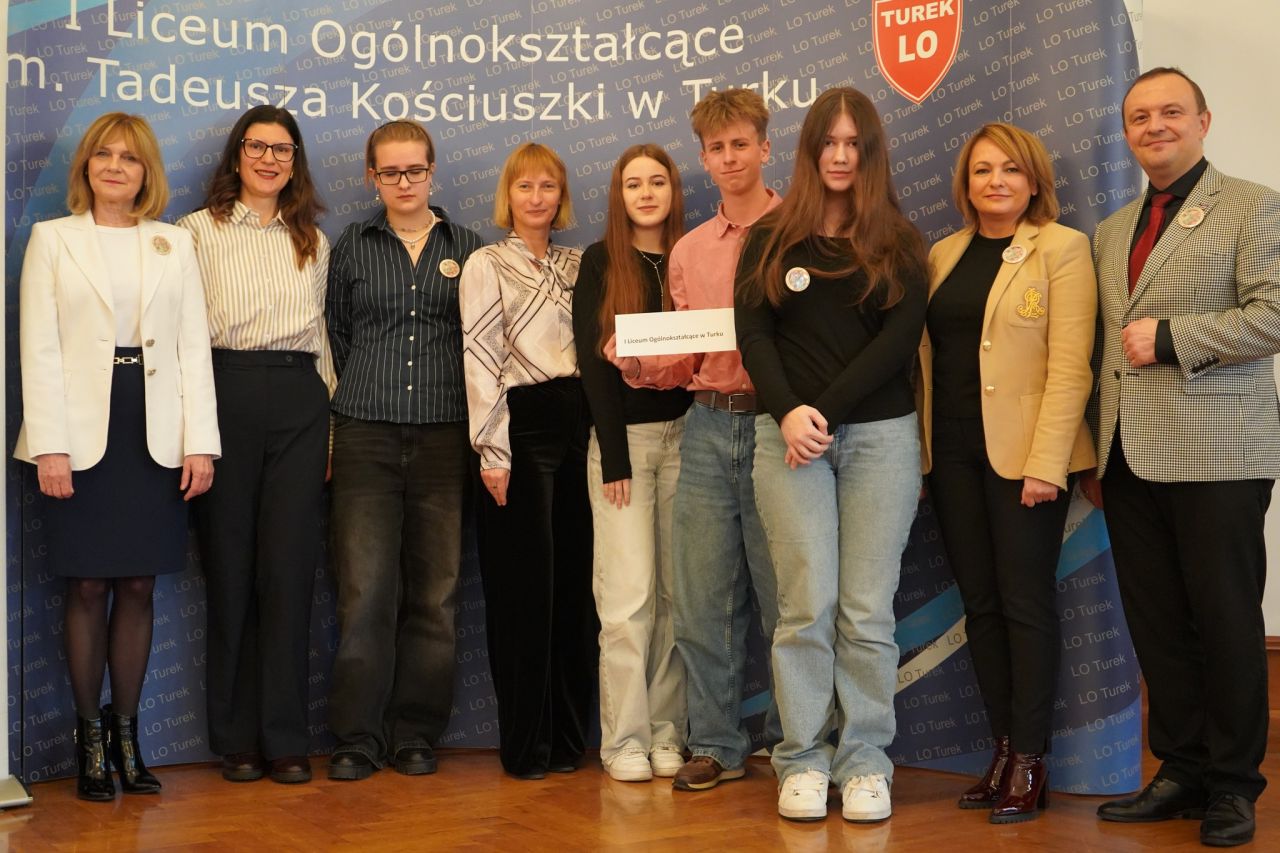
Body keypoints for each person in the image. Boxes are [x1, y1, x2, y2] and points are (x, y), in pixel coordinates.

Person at [1085, 67, 1280, 848]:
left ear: (1203, 119)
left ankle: (1233, 784)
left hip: (1220, 453)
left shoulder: (1253, 205)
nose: (1154, 126)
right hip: (1127, 457)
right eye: (1139, 116)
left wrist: (1170, 337)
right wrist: (1092, 449)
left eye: (1171, 111)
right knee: (1159, 624)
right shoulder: (1112, 229)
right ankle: (1182, 768)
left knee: (1226, 621)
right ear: (1126, 132)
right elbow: (1104, 348)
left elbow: (1275, 313)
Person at [733, 86, 928, 823]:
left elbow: (898, 342)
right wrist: (790, 413)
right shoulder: (770, 236)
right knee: (805, 606)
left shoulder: (898, 240)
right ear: (810, 149)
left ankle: (866, 761)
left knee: (866, 611)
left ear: (870, 152)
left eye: (854, 143)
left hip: (881, 439)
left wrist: (827, 413)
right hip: (786, 441)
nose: (841, 155)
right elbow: (754, 334)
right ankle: (803, 759)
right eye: (829, 142)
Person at [15, 112, 220, 801]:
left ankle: (128, 737)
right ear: (86, 166)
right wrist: (50, 444)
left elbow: (192, 345)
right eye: (103, 154)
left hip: (154, 428)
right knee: (87, 586)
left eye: (129, 158)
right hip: (77, 433)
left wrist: (200, 442)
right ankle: (89, 743)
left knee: (138, 585)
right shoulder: (53, 239)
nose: (114, 166)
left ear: (145, 172)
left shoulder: (173, 243)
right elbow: (38, 347)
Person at [918, 123, 1096, 823]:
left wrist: (1047, 463)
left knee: (1025, 604)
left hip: (1027, 461)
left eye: (1010, 170)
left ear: (1033, 180)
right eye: (982, 170)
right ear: (965, 183)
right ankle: (1000, 750)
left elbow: (1071, 365)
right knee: (982, 607)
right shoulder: (944, 252)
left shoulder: (1062, 247)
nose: (995, 181)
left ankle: (1030, 758)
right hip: (952, 454)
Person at [611, 88, 782, 792]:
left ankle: (795, 744)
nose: (730, 157)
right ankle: (714, 742)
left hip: (778, 425)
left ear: (765, 148)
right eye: (717, 148)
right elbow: (686, 358)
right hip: (706, 424)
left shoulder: (801, 232)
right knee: (703, 599)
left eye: (741, 144)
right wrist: (637, 359)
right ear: (704, 159)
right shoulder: (688, 250)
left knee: (788, 599)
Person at [178, 105, 335, 785]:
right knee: (230, 569)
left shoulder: (313, 240)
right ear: (236, 154)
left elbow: (322, 337)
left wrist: (330, 430)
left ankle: (286, 737)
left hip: (301, 398)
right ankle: (236, 738)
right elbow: (183, 336)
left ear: (295, 162)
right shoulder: (195, 232)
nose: (270, 159)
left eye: (283, 149)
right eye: (258, 146)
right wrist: (193, 428)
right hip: (224, 392)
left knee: (290, 573)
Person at [324, 120, 483, 781]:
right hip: (365, 434)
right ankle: (357, 736)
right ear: (372, 177)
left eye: (414, 170)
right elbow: (335, 334)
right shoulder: (352, 245)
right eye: (390, 172)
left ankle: (416, 732)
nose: (404, 182)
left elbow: (481, 343)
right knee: (364, 592)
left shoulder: (469, 249)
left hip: (445, 435)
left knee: (436, 595)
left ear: (432, 171)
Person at [460, 143, 594, 780]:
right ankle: (526, 744)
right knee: (523, 592)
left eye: (548, 186)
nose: (536, 197)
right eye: (525, 187)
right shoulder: (487, 263)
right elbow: (481, 355)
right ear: (507, 196)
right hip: (520, 426)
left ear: (561, 195)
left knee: (573, 588)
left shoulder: (579, 263)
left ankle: (569, 740)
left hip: (579, 425)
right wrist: (493, 450)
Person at [573, 145, 692, 782]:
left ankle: (669, 733)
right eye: (633, 184)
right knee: (626, 598)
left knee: (676, 597)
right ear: (619, 196)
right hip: (625, 447)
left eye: (657, 182)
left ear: (674, 190)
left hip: (690, 441)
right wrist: (614, 456)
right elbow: (594, 363)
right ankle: (624, 740)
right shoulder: (601, 260)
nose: (646, 194)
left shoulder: (694, 255)